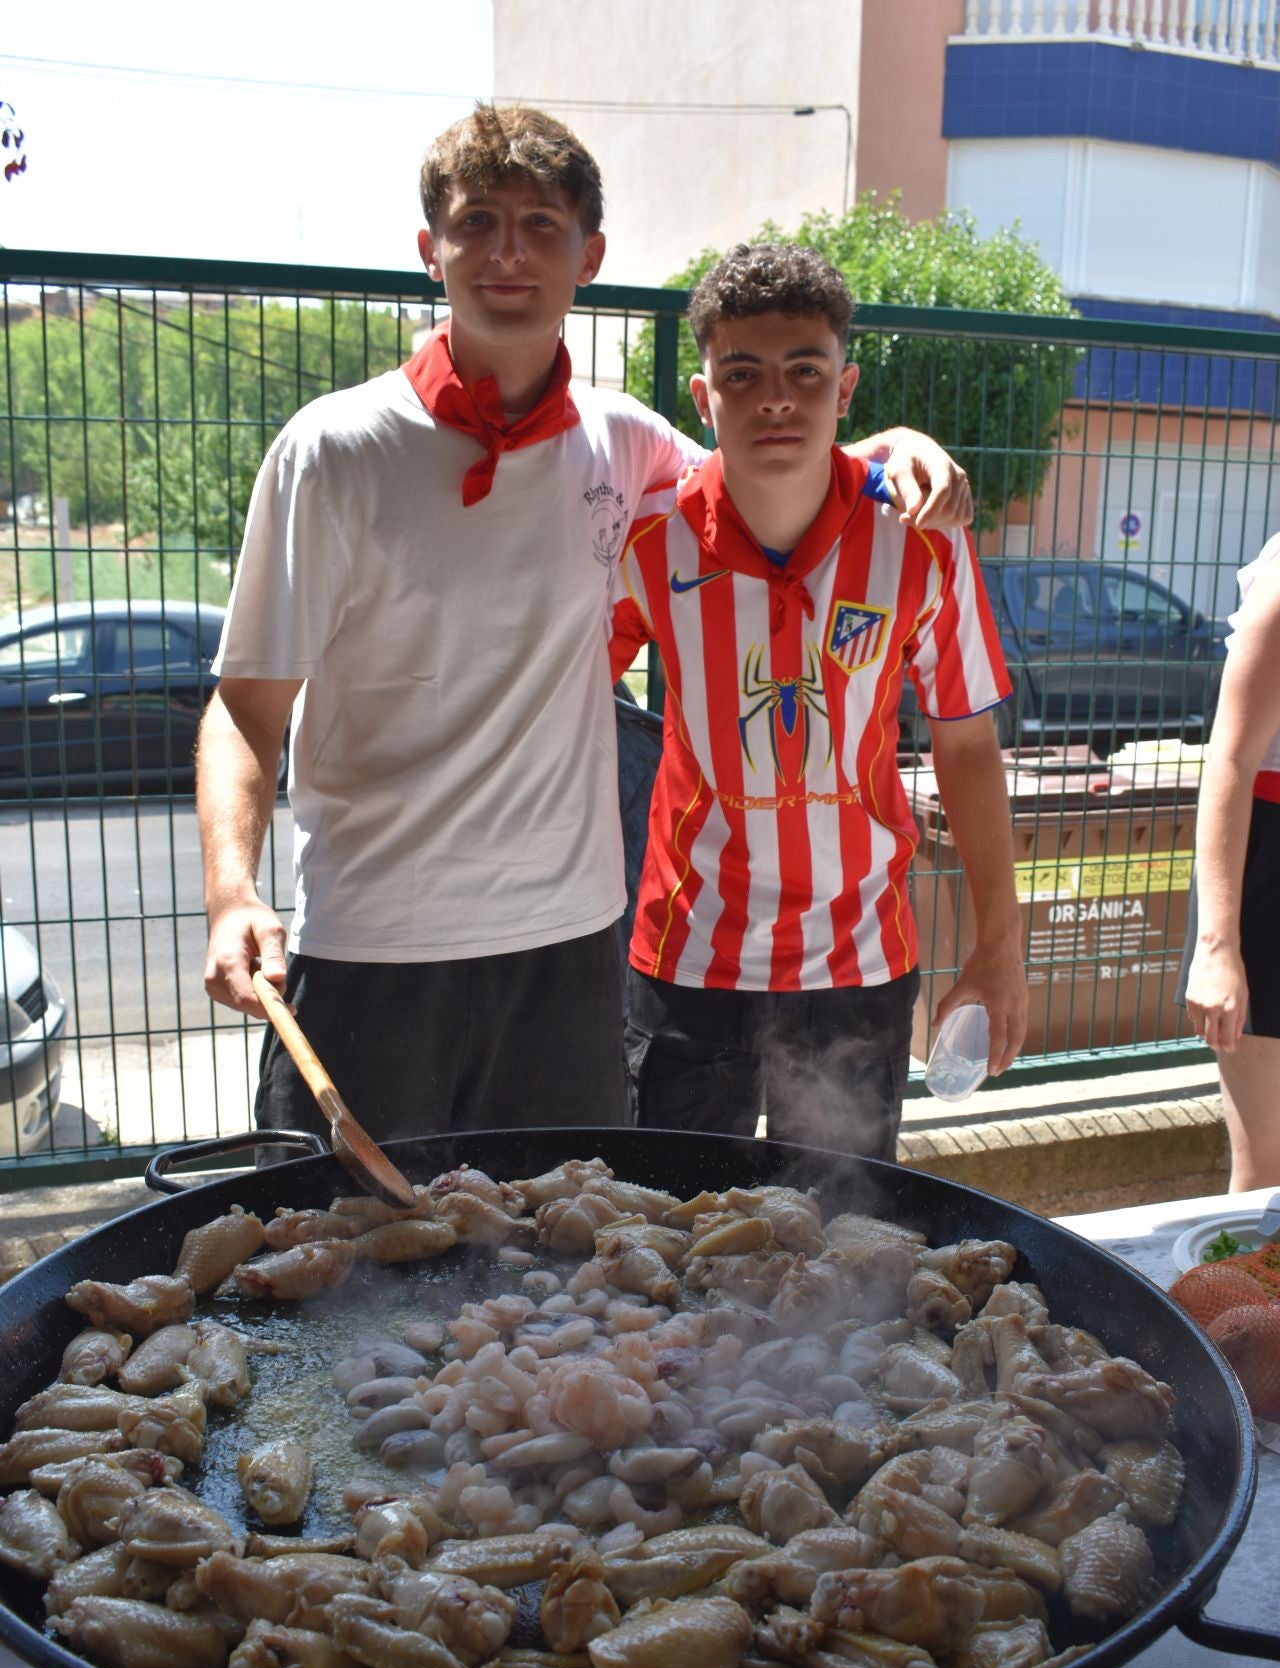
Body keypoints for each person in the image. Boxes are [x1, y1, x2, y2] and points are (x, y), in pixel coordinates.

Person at [197, 105, 974, 1147]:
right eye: (475, 223)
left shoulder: (625, 445)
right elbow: (245, 707)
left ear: (588, 255)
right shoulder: (332, 450)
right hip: (369, 946)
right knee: (342, 1265)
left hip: (568, 955)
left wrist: (887, 446)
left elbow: (770, 455)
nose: (506, 251)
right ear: (429, 251)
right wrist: (231, 892)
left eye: (539, 225)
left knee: (560, 1274)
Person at [610, 243, 1028, 1157]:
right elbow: (553, 703)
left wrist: (999, 947)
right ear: (702, 393)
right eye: (743, 373)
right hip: (689, 959)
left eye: (805, 371)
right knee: (669, 1244)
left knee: (843, 1254)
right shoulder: (645, 541)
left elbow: (965, 741)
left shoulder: (923, 539)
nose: (775, 399)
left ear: (846, 390)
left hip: (861, 964)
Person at [1180, 533, 1280, 1192]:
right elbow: (1232, 758)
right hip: (1268, 863)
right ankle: (1243, 1300)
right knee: (1268, 1172)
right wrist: (1218, 946)